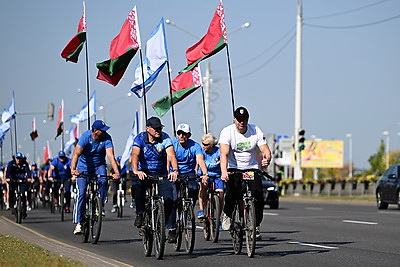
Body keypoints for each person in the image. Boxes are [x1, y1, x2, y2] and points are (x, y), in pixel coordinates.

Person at [219, 106, 271, 240]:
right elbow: (224, 154)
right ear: (234, 119)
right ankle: (227, 214)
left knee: (258, 195)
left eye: (244, 119)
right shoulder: (227, 132)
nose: (242, 122)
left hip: (251, 168)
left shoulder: (255, 130)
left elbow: (265, 150)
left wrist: (266, 160)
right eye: (239, 119)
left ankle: (255, 225)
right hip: (234, 168)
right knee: (233, 191)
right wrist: (224, 172)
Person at [130, 116, 179, 243]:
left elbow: (171, 155)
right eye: (156, 128)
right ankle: (140, 214)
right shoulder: (140, 138)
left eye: (160, 128)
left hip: (161, 172)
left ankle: (172, 228)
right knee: (138, 187)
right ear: (148, 129)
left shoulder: (165, 138)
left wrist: (174, 170)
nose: (158, 131)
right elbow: (135, 154)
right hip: (144, 172)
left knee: (170, 198)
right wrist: (136, 170)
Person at [71, 120, 120, 235]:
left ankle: (100, 204)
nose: (104, 132)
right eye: (102, 130)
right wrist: (73, 170)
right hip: (84, 166)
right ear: (95, 131)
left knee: (103, 180)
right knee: (81, 193)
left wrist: (116, 172)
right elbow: (76, 154)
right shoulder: (85, 137)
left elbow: (110, 156)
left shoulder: (107, 138)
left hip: (99, 165)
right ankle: (78, 223)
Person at [172, 123, 208, 220]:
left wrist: (205, 174)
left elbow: (200, 160)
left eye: (184, 134)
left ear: (189, 135)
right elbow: (168, 159)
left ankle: (189, 207)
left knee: (194, 188)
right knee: (175, 198)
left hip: (189, 173)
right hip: (176, 172)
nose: (181, 136)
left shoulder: (195, 146)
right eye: (179, 133)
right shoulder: (173, 145)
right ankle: (177, 218)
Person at [197, 133, 224, 224]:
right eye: (203, 143)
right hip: (205, 175)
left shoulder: (219, 151)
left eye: (206, 144)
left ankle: (218, 217)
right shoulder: (201, 151)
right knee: (203, 187)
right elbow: (198, 162)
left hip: (217, 175)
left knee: (221, 193)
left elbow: (224, 162)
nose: (203, 146)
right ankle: (201, 209)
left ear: (212, 145)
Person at [5, 152, 32, 218]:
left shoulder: (25, 164)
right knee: (11, 191)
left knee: (23, 194)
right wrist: (7, 178)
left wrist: (29, 178)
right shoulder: (11, 163)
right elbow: (8, 172)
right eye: (17, 158)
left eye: (20, 159)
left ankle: (24, 210)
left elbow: (28, 171)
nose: (18, 160)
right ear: (15, 158)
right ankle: (11, 204)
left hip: (22, 180)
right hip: (13, 180)